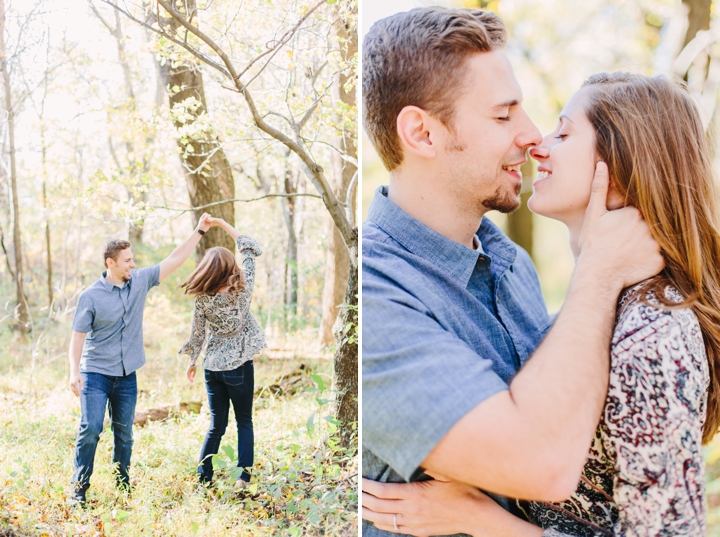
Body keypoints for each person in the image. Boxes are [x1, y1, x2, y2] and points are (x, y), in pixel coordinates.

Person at [363, 73, 720, 535]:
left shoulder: (654, 331)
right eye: (503, 115)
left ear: (624, 165)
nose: (538, 144)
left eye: (564, 133)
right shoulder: (596, 305)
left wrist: (482, 518)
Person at [68, 213, 213, 506]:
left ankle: (122, 485)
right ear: (110, 263)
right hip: (95, 373)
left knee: (124, 433)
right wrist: (73, 372)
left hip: (127, 375)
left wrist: (199, 230)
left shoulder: (140, 281)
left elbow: (174, 259)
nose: (133, 264)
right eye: (127, 261)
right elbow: (77, 337)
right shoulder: (91, 296)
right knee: (91, 429)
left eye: (133, 260)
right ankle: (78, 489)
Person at [178, 217, 266, 487]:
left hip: (212, 368)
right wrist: (223, 224)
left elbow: (197, 333)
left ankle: (203, 478)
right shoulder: (243, 291)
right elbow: (250, 247)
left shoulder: (202, 298)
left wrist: (193, 361)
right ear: (229, 267)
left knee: (216, 425)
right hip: (238, 365)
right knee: (244, 421)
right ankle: (243, 476)